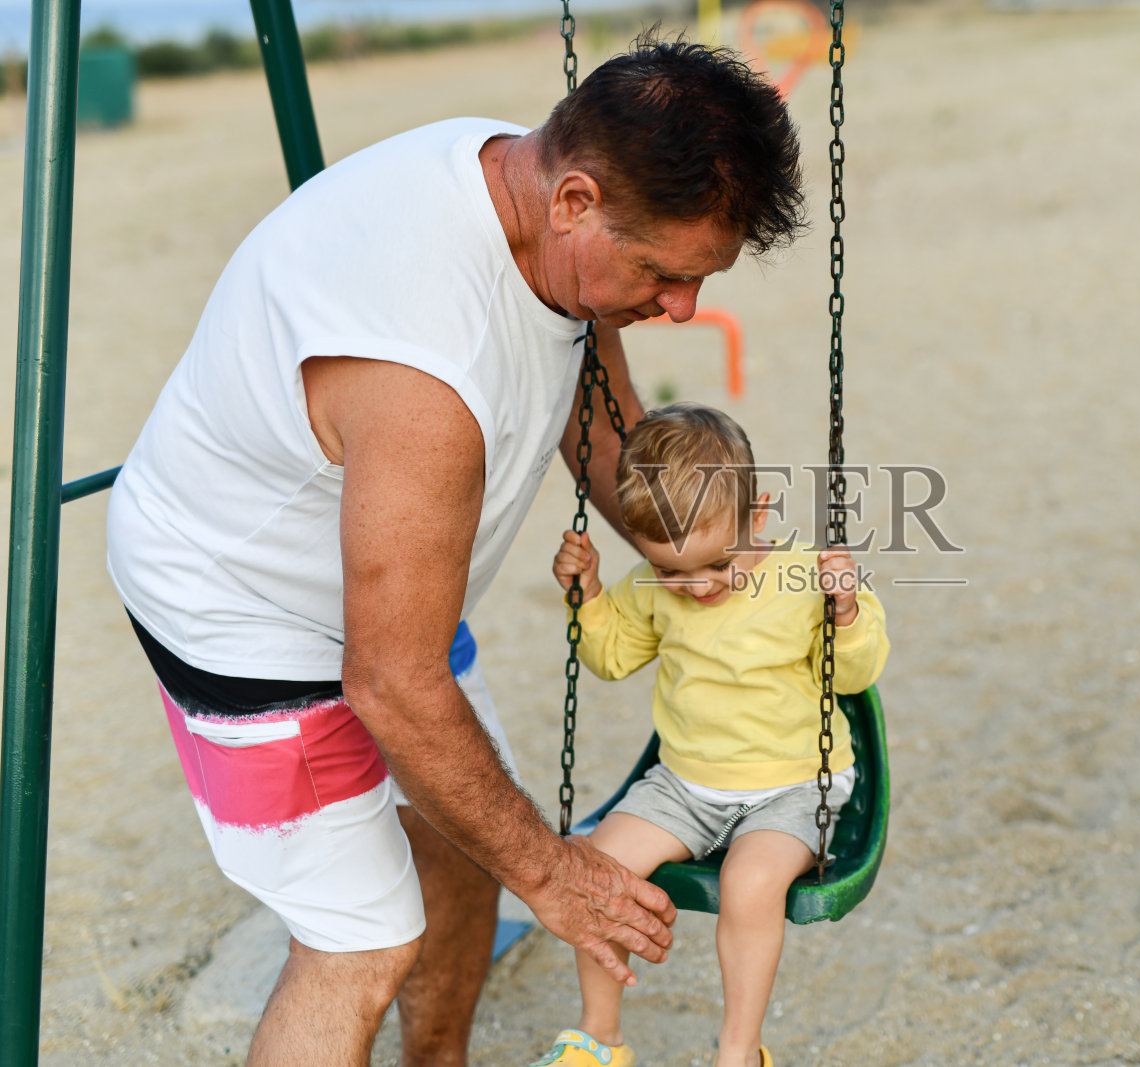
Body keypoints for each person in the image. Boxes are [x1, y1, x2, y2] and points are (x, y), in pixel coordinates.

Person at [104, 38, 805, 1067]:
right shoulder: (420, 366)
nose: (683, 309)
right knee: (363, 936)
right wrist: (558, 877)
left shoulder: (535, 215)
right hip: (237, 608)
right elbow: (390, 678)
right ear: (575, 199)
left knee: (465, 845)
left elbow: (607, 435)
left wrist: (731, 558)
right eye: (663, 273)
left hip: (387, 597)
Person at [543, 404, 889, 1067]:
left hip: (793, 785)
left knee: (749, 882)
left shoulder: (805, 578)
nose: (694, 586)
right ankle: (600, 1037)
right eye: (672, 572)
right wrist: (585, 596)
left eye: (717, 565)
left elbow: (856, 673)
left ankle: (738, 1049)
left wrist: (844, 610)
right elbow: (611, 657)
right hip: (685, 782)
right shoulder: (653, 585)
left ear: (757, 515)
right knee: (595, 871)